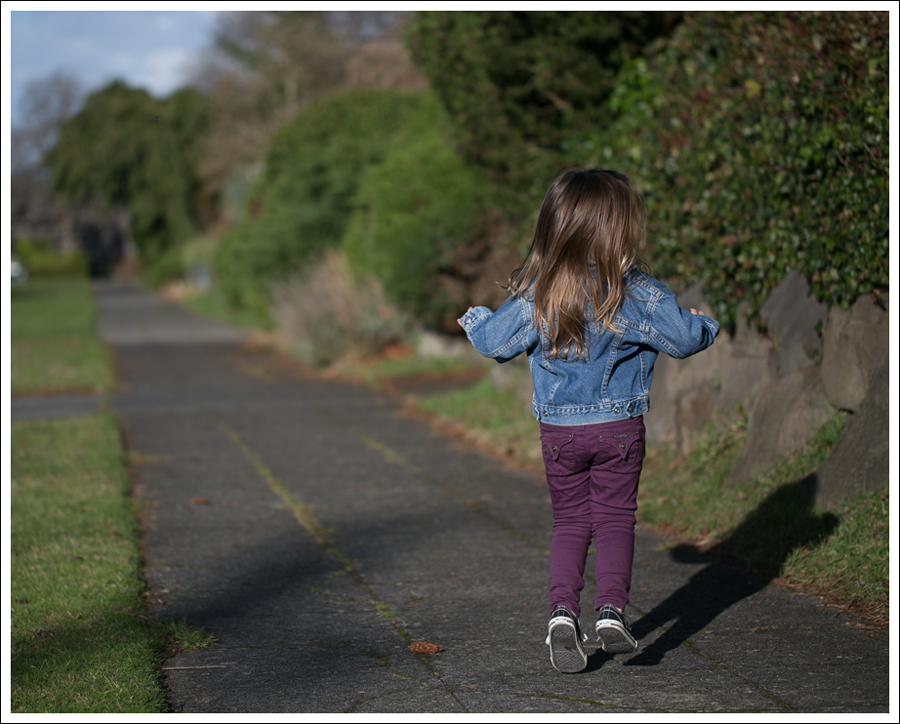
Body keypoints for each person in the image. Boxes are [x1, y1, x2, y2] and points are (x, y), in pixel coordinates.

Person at [458, 168, 720, 674]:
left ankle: (561, 614)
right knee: (616, 517)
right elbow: (686, 339)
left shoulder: (539, 291)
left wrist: (474, 318)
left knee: (571, 521)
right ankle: (611, 613)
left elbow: (493, 344)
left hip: (559, 434)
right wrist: (705, 323)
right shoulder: (637, 291)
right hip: (619, 430)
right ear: (620, 229)